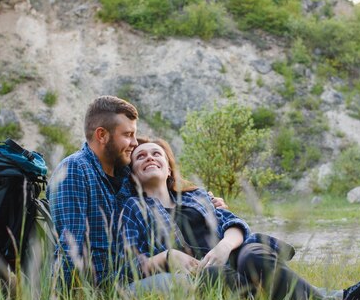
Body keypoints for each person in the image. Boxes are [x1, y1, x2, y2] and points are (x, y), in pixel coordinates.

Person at [119, 137, 360, 300]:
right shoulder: (133, 208)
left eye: (157, 154)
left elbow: (234, 224)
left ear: (168, 169)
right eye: (140, 156)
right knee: (216, 277)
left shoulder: (196, 196)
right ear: (133, 176)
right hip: (206, 271)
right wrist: (167, 256)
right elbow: (129, 263)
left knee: (254, 258)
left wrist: (224, 246)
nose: (149, 157)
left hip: (238, 251)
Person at [47, 96, 227, 288]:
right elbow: (70, 248)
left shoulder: (126, 172)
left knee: (205, 279)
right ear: (102, 135)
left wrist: (209, 204)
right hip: (103, 287)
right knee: (179, 284)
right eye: (127, 134)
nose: (134, 143)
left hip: (140, 272)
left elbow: (165, 194)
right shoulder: (74, 170)